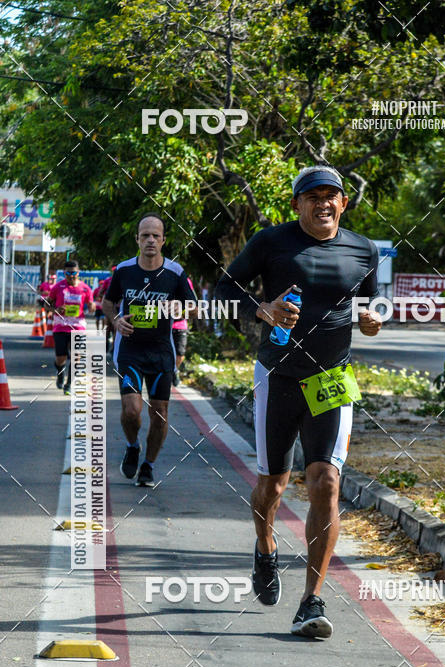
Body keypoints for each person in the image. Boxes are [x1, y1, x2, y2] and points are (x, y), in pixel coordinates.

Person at [214, 165, 382, 639]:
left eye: (332, 195)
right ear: (297, 204)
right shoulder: (271, 242)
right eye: (313, 196)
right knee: (274, 483)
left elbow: (365, 305)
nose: (323, 203)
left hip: (332, 379)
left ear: (344, 203)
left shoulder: (363, 249)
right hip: (279, 375)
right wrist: (261, 310)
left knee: (326, 480)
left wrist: (370, 320)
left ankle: (311, 600)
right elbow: (225, 286)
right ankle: (265, 545)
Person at [103, 213, 196, 487]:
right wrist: (116, 321)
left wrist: (182, 308)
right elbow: (109, 304)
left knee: (160, 414)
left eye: (156, 235)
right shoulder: (123, 270)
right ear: (137, 239)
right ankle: (133, 446)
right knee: (132, 411)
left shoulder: (175, 272)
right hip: (130, 351)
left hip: (161, 353)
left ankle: (149, 465)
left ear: (164, 240)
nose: (151, 240)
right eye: (145, 235)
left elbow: (193, 304)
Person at [48, 260, 94, 394]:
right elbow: (47, 304)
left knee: (76, 357)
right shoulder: (57, 287)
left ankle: (68, 384)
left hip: (78, 327)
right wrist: (56, 309)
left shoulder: (85, 288)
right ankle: (60, 374)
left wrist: (92, 307)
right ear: (64, 273)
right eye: (68, 273)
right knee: (60, 358)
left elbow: (91, 305)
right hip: (60, 327)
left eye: (73, 273)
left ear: (78, 273)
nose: (71, 275)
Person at [171, 277, 194, 386]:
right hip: (163, 324)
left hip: (180, 324)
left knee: (180, 353)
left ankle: (174, 370)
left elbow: (192, 303)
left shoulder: (186, 281)